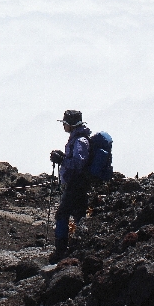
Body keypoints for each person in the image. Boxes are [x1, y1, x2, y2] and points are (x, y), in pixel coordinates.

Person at [49, 109, 92, 263]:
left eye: (65, 123)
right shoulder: (78, 138)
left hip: (76, 184)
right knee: (79, 215)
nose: (64, 126)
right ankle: (82, 246)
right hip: (79, 184)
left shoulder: (79, 141)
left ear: (71, 124)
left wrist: (62, 160)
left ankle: (61, 251)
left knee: (62, 214)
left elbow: (79, 164)